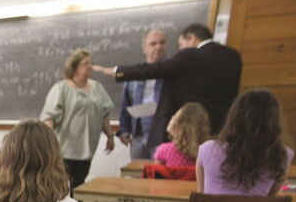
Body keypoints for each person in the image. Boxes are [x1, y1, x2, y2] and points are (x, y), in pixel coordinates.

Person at [93, 23, 242, 154]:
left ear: (192, 38)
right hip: (222, 129)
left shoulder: (190, 56)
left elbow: (156, 69)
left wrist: (115, 71)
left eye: (181, 44)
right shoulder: (233, 56)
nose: (181, 49)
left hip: (188, 130)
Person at [40, 48, 114, 189]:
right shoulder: (61, 88)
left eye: (91, 63)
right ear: (74, 66)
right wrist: (48, 141)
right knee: (63, 186)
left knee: (80, 184)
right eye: (85, 63)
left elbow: (104, 113)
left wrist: (110, 136)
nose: (90, 66)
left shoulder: (97, 87)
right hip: (65, 148)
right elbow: (49, 116)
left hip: (87, 147)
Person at [117, 29, 167, 160]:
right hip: (138, 136)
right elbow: (126, 104)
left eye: (162, 43)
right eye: (153, 44)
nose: (158, 47)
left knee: (159, 177)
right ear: (144, 48)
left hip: (163, 138)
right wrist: (124, 130)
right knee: (136, 176)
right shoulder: (133, 75)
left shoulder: (172, 75)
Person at [153, 102, 210, 168]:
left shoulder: (164, 151)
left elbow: (155, 176)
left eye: (175, 116)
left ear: (179, 125)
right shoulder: (208, 153)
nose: (172, 117)